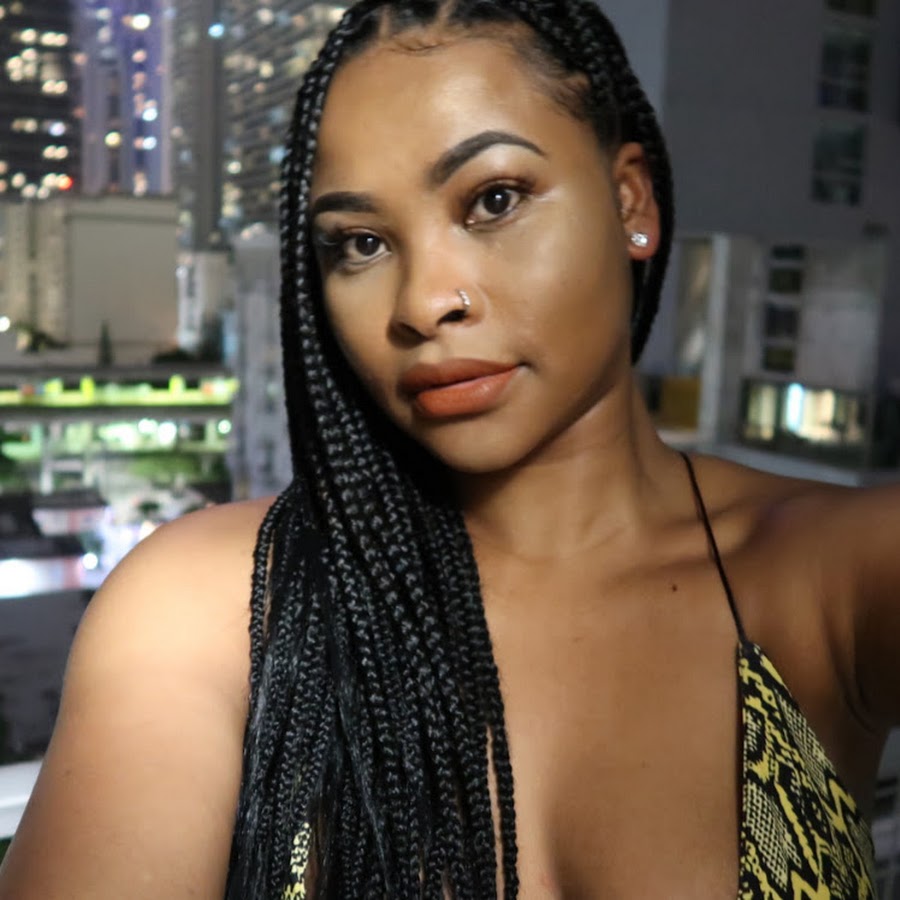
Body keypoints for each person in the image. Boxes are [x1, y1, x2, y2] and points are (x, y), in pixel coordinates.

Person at [1, 0, 898, 896]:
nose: (425, 302)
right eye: (361, 244)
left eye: (494, 201)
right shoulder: (212, 607)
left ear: (630, 201)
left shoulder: (833, 570)